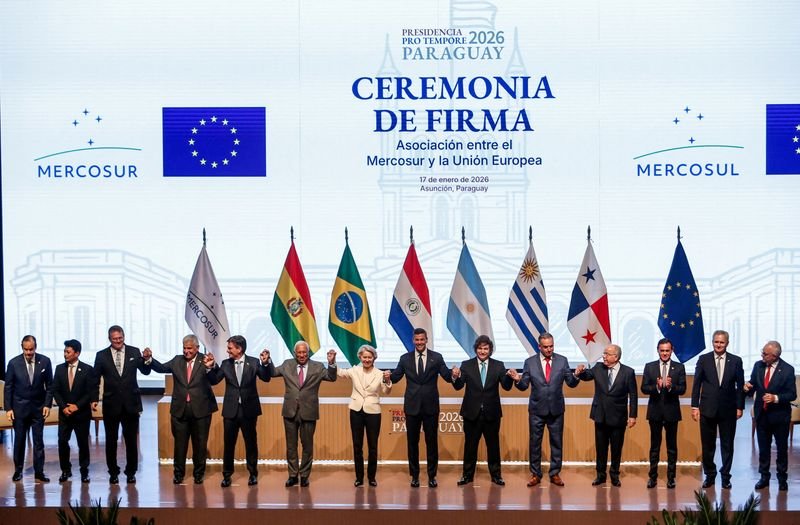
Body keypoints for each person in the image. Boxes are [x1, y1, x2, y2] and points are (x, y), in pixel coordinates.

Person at [386, 327, 456, 488]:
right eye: (416, 340)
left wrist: (454, 374)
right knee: (412, 443)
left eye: (422, 339)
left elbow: (447, 376)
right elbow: (395, 377)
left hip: (431, 407)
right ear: (413, 340)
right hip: (412, 407)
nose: (419, 342)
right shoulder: (405, 359)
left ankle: (432, 476)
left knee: (432, 443)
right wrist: (388, 377)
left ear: (426, 340)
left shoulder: (437, 357)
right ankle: (415, 476)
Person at [508, 332, 580, 487]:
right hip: (536, 410)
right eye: (546, 347)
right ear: (539, 347)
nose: (549, 349)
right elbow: (524, 386)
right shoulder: (529, 362)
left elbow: (571, 383)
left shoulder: (562, 361)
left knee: (557, 443)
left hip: (556, 410)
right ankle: (535, 474)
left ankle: (555, 473)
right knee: (535, 443)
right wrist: (517, 380)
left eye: (551, 346)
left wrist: (576, 375)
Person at [262, 341, 337, 487]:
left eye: (304, 352)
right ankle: (292, 475)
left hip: (309, 411)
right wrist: (267, 361)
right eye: (299, 352)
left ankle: (304, 475)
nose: (302, 355)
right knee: (291, 446)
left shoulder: (318, 366)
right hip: (290, 411)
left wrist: (332, 363)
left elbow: (331, 377)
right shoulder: (287, 364)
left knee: (307, 446)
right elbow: (273, 373)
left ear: (308, 353)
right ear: (294, 353)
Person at [145, 334, 217, 484]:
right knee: (180, 445)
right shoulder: (177, 360)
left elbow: (215, 380)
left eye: (189, 348)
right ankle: (178, 474)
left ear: (197, 348)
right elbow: (161, 368)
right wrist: (149, 359)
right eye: (184, 348)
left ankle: (198, 474)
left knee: (200, 445)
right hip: (180, 411)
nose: (186, 351)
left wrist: (210, 368)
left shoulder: (205, 360)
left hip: (201, 411)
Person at [207, 335, 271, 487]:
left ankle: (253, 474)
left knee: (251, 443)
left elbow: (266, 378)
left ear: (239, 349)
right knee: (229, 444)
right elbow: (214, 380)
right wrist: (210, 367)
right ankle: (227, 475)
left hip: (249, 410)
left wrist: (265, 364)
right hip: (231, 411)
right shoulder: (225, 364)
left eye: (230, 348)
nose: (227, 350)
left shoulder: (254, 362)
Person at [92, 325, 152, 484]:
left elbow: (145, 371)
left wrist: (147, 360)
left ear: (124, 337)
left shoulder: (134, 352)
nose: (118, 341)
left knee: (131, 441)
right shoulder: (101, 355)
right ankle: (113, 472)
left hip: (131, 404)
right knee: (111, 441)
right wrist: (93, 399)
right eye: (115, 339)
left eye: (120, 338)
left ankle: (131, 472)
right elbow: (95, 379)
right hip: (111, 405)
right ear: (109, 339)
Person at [452, 335, 513, 486]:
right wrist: (455, 377)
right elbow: (458, 386)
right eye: (480, 348)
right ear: (476, 349)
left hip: (492, 413)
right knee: (470, 446)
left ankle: (496, 475)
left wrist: (511, 377)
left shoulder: (498, 366)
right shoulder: (466, 365)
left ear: (490, 350)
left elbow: (506, 386)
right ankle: (467, 476)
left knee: (493, 446)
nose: (482, 351)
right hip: (471, 413)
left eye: (486, 348)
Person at [576, 343, 637, 487]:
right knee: (601, 448)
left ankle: (615, 475)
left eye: (607, 354)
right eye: (604, 353)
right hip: (600, 415)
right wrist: (580, 372)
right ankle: (600, 475)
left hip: (618, 417)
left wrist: (633, 415)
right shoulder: (598, 368)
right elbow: (587, 376)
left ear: (616, 357)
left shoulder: (628, 372)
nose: (603, 356)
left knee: (616, 449)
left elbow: (633, 395)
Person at [690, 329, 744, 490]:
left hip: (729, 410)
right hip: (707, 409)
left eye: (721, 342)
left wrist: (739, 406)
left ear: (727, 343)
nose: (718, 345)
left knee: (727, 445)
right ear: (712, 342)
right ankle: (710, 475)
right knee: (708, 445)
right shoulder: (704, 359)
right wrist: (695, 406)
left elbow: (740, 386)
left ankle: (726, 477)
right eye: (716, 342)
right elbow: (696, 384)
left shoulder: (736, 361)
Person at [335, 344, 391, 487]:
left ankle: (371, 477)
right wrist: (332, 362)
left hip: (373, 412)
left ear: (374, 358)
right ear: (360, 357)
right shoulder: (354, 370)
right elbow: (340, 373)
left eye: (369, 357)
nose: (367, 360)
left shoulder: (380, 373)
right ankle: (359, 477)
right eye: (364, 357)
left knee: (373, 446)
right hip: (356, 411)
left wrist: (387, 380)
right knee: (357, 445)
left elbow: (386, 391)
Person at [744, 340, 796, 492]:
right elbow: (753, 386)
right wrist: (747, 388)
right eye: (762, 352)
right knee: (763, 448)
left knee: (781, 449)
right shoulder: (758, 366)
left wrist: (775, 398)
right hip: (762, 415)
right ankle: (764, 477)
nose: (762, 355)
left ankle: (782, 478)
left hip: (780, 416)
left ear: (775, 356)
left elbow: (792, 394)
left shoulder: (787, 370)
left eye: (765, 354)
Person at [4, 335, 53, 482]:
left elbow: (50, 386)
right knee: (19, 441)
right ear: (22, 348)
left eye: (31, 349)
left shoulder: (45, 361)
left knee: (38, 442)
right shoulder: (13, 363)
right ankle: (18, 471)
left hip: (38, 409)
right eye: (26, 349)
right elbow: (8, 387)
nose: (28, 352)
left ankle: (39, 472)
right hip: (19, 410)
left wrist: (47, 404)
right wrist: (8, 408)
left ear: (35, 347)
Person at [641, 338, 686, 489]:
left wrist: (671, 387)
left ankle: (671, 478)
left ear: (672, 351)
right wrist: (657, 387)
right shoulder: (650, 367)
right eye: (662, 351)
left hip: (672, 413)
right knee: (655, 447)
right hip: (655, 412)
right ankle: (652, 477)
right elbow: (644, 388)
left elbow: (683, 389)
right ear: (658, 351)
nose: (665, 353)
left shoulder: (679, 367)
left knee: (671, 447)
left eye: (667, 350)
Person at [52, 339, 98, 483]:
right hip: (65, 414)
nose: (65, 354)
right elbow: (55, 390)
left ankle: (84, 471)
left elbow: (90, 392)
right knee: (62, 442)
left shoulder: (87, 369)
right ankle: (65, 470)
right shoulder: (59, 368)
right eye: (64, 351)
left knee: (83, 443)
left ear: (77, 353)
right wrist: (63, 407)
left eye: (68, 352)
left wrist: (77, 406)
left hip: (81, 414)